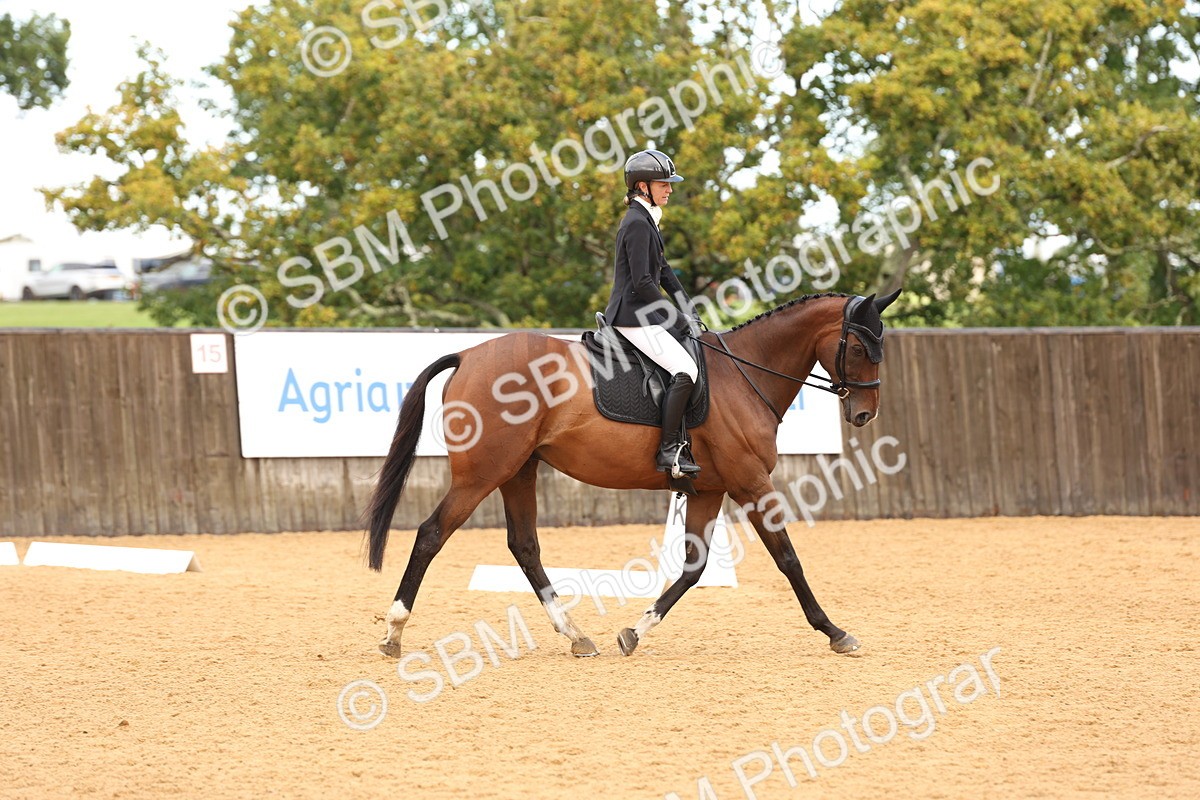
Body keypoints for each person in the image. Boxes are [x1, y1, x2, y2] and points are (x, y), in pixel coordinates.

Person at [603, 149, 702, 478]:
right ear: (642, 186)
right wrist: (675, 319)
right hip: (631, 316)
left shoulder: (646, 220)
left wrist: (689, 310)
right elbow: (644, 283)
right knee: (686, 371)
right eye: (664, 183)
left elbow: (664, 273)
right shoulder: (636, 223)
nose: (670, 189)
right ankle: (668, 451)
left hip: (641, 312)